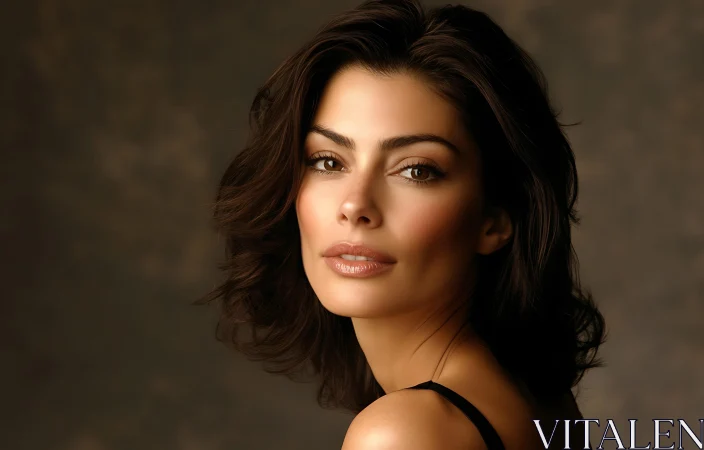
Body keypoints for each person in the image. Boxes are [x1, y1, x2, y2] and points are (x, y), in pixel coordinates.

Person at [199, 0, 606, 448]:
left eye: (416, 170)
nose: (355, 205)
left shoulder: (407, 432)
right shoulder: (536, 398)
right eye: (328, 161)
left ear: (494, 219)